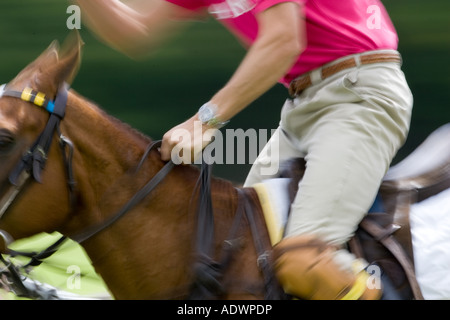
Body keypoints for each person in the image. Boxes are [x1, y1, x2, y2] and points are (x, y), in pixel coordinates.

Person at [75, 0, 413, 299]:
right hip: (304, 104)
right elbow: (137, 31)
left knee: (304, 261)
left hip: (360, 94)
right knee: (240, 253)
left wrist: (203, 121)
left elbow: (284, 40)